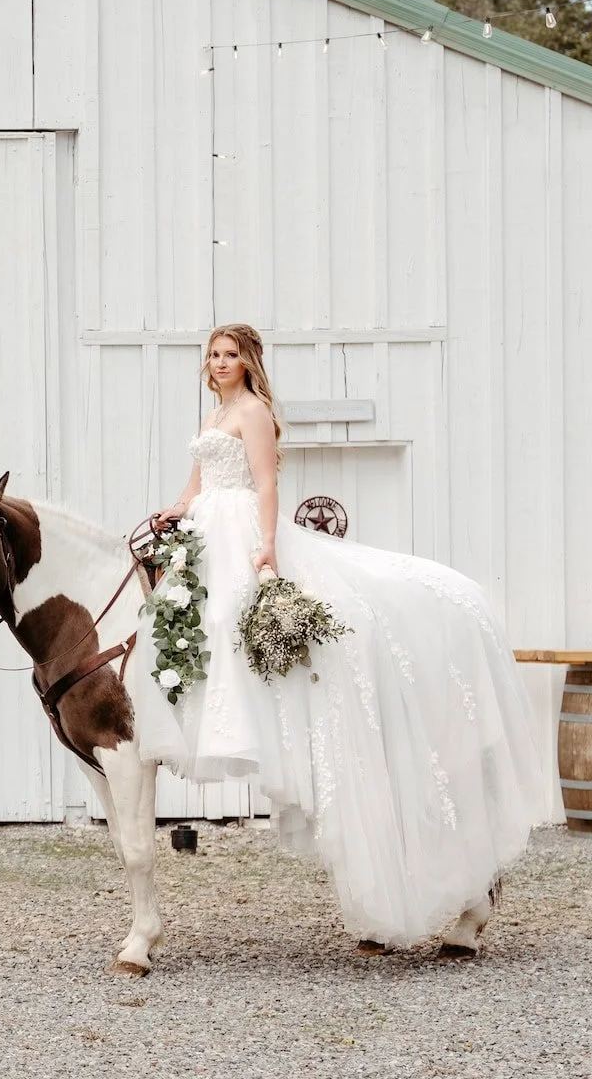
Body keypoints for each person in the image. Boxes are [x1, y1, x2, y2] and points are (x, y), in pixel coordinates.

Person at [131, 323, 544, 953]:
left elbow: (265, 484)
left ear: (248, 361)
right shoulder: (214, 416)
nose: (219, 363)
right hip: (207, 532)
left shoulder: (255, 413)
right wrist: (175, 510)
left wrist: (267, 548)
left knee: (246, 624)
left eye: (230, 355)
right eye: (213, 355)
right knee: (197, 630)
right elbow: (197, 487)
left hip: (243, 533)